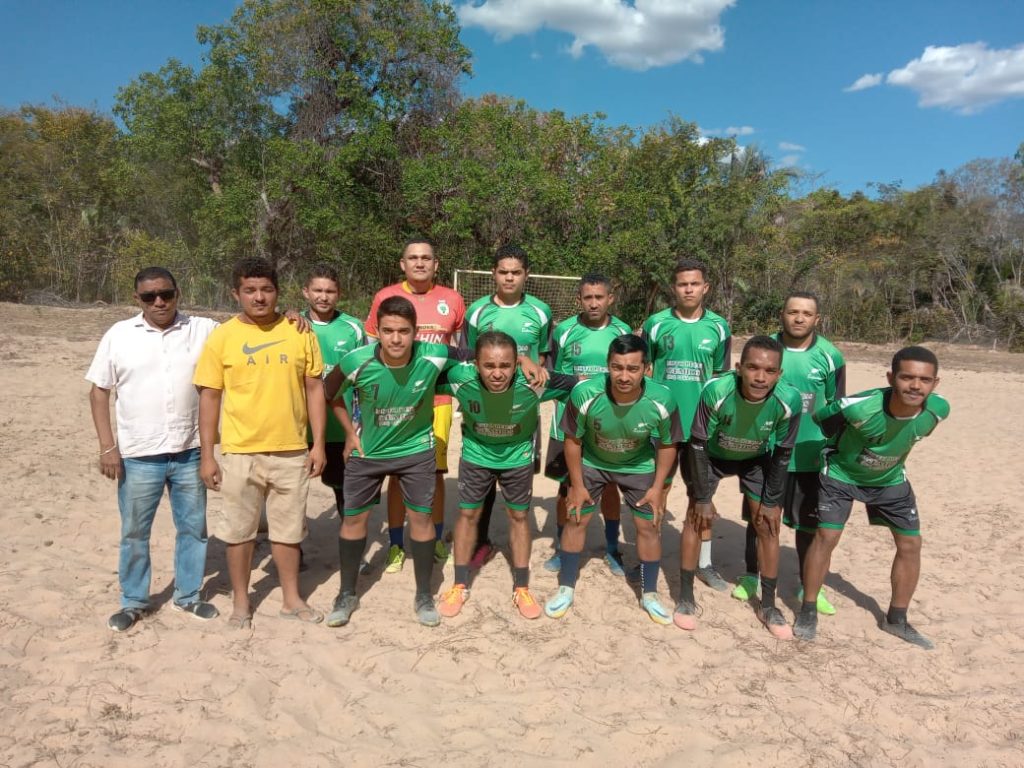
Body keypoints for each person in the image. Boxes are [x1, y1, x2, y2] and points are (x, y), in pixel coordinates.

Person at [194, 257, 327, 629]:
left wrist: (317, 444)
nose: (259, 297)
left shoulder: (299, 331)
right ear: (235, 293)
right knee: (239, 532)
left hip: (292, 450)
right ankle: (241, 601)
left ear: (277, 292)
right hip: (240, 452)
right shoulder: (222, 337)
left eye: (266, 289)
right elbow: (209, 396)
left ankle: (291, 598)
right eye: (250, 290)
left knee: (288, 531)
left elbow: (314, 387)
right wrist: (209, 454)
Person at [87, 267, 220, 632]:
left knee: (193, 529)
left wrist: (293, 317)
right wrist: (107, 447)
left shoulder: (204, 329)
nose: (159, 301)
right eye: (150, 297)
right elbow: (99, 392)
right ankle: (133, 602)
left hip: (190, 450)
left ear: (178, 292)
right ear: (138, 299)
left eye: (166, 294)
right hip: (137, 454)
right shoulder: (119, 335)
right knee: (134, 532)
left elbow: (248, 327)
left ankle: (188, 596)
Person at [794, 346, 949, 649]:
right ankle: (808, 610)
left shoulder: (938, 410)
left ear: (935, 383)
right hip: (841, 475)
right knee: (826, 536)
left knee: (911, 543)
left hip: (890, 480)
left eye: (924, 380)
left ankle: (896, 619)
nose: (915, 385)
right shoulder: (858, 407)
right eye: (906, 377)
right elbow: (822, 420)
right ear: (891, 377)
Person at [435, 331, 577, 620]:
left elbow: (582, 385)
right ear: (476, 364)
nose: (497, 373)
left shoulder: (535, 381)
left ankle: (522, 586)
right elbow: (422, 366)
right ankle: (459, 584)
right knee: (467, 515)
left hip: (517, 459)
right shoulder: (461, 378)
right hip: (476, 457)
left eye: (505, 366)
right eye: (489, 366)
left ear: (515, 365)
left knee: (519, 516)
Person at [546, 335, 681, 625]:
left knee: (648, 525)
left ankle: (650, 594)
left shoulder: (663, 398)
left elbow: (669, 445)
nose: (623, 376)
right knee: (576, 518)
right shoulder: (585, 393)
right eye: (617, 367)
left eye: (632, 368)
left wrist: (658, 488)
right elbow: (572, 440)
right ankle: (566, 587)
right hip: (593, 463)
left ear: (646, 369)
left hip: (638, 465)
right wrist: (577, 485)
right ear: (607, 366)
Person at [673, 336, 803, 639]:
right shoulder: (717, 390)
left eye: (770, 371)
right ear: (738, 367)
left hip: (755, 460)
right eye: (753, 367)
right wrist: (703, 497)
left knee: (769, 525)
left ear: (780, 374)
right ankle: (685, 597)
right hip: (711, 457)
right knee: (697, 517)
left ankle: (768, 605)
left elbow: (783, 453)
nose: (760, 377)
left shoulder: (789, 400)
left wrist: (772, 501)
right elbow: (697, 444)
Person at [732, 292, 846, 616]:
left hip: (809, 454)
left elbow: (837, 406)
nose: (799, 318)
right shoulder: (764, 348)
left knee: (808, 526)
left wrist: (833, 446)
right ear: (781, 314)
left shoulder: (830, 356)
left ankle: (808, 585)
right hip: (766, 451)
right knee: (759, 521)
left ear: (817, 319)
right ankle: (750, 577)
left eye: (806, 313)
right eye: (793, 312)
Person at [365, 238, 465, 573]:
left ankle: (435, 538)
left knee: (435, 472)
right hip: (395, 402)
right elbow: (370, 350)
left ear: (436, 265)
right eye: (413, 258)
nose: (420, 263)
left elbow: (459, 352)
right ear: (402, 264)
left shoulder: (452, 300)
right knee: (396, 472)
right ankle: (395, 544)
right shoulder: (385, 297)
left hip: (437, 400)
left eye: (426, 258)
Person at [641, 258, 732, 592]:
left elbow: (722, 381)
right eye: (682, 284)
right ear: (673, 288)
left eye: (695, 283)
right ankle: (649, 556)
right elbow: (644, 372)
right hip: (662, 426)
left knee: (701, 496)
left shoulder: (720, 327)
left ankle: (704, 563)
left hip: (701, 429)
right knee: (656, 491)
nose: (689, 289)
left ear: (705, 287)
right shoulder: (655, 324)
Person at [464, 244, 553, 568]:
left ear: (526, 275)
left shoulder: (541, 311)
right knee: (483, 470)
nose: (509, 277)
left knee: (518, 471)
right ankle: (481, 542)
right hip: (484, 406)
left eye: (516, 272)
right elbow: (467, 356)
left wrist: (531, 369)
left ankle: (517, 543)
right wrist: (517, 359)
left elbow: (543, 356)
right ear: (493, 274)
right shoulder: (476, 312)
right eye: (503, 272)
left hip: (522, 407)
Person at [543, 274, 632, 576]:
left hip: (608, 426)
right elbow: (551, 377)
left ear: (610, 299)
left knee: (609, 488)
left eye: (599, 297)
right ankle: (560, 547)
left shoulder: (622, 331)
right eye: (587, 298)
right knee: (564, 489)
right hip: (567, 425)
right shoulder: (564, 331)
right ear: (579, 300)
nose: (593, 303)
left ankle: (611, 548)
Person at [301, 263, 367, 516]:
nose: (323, 296)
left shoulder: (353, 328)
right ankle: (296, 554)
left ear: (339, 294)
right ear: (305, 292)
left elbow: (363, 377)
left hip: (341, 427)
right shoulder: (291, 326)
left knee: (346, 494)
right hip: (300, 429)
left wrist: (360, 424)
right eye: (317, 290)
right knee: (294, 495)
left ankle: (350, 552)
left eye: (330, 291)